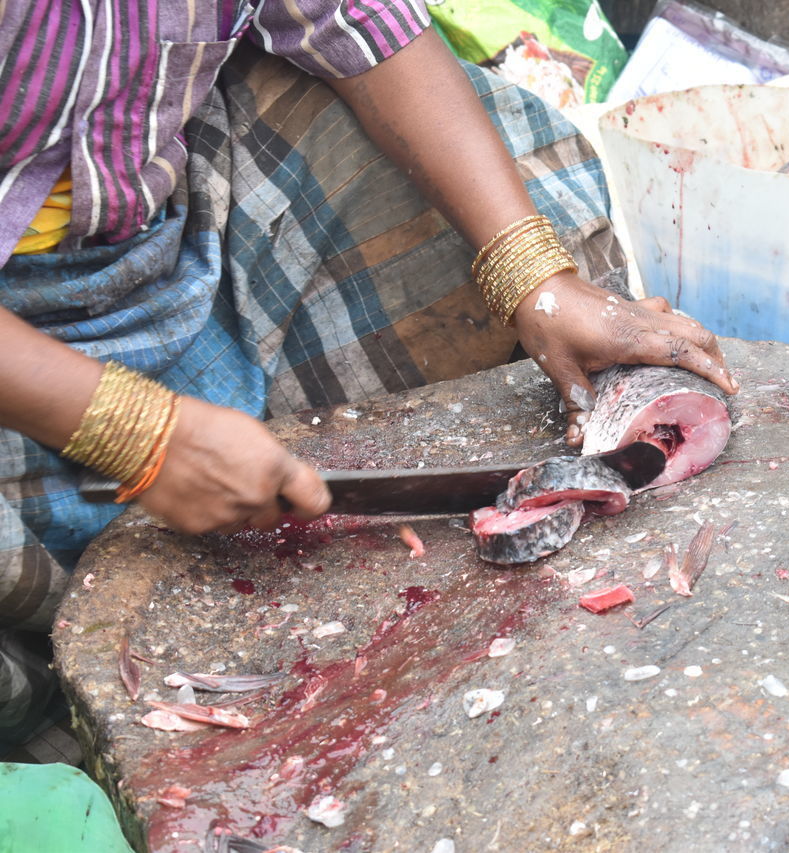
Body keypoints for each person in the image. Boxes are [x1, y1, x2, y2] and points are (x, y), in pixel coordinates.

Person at [0, 0, 737, 755]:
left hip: (160, 237)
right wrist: (130, 427)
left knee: (498, 137)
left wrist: (532, 274)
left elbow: (353, 18)